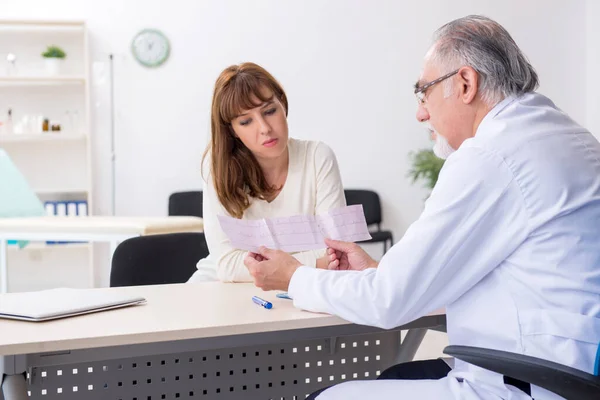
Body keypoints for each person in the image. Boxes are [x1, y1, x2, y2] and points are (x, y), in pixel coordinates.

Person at [243, 15, 600, 400]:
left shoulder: (490, 156)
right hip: (561, 368)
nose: (421, 112)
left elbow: (388, 301)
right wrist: (384, 271)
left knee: (324, 396)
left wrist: (293, 277)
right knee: (397, 373)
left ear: (465, 83)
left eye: (424, 92)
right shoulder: (567, 136)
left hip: (527, 379)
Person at [188, 62, 346, 283]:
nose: (264, 128)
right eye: (246, 121)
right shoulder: (218, 168)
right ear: (232, 131)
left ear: (282, 104)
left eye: (270, 111)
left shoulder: (317, 156)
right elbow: (227, 266)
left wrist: (287, 270)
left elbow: (337, 252)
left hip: (307, 284)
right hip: (223, 285)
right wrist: (312, 263)